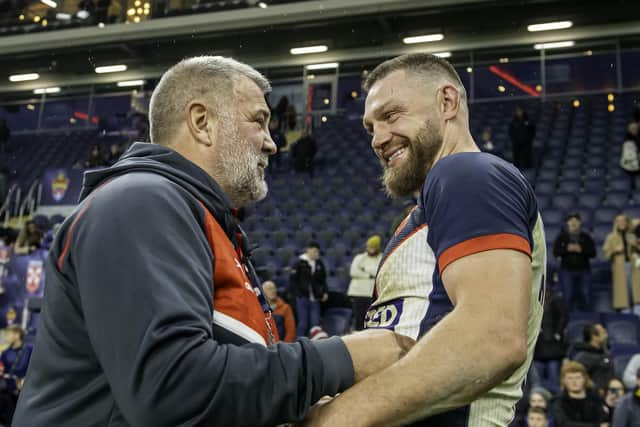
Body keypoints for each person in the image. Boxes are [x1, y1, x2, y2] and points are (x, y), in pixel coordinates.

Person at [12, 56, 415, 427]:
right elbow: (172, 390)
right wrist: (342, 359)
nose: (272, 142)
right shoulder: (141, 201)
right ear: (201, 122)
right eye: (258, 121)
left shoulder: (198, 216)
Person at [302, 53, 546, 426]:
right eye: (370, 127)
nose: (377, 140)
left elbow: (491, 339)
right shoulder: (435, 205)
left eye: (391, 115)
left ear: (447, 102)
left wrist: (333, 418)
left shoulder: (466, 173)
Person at [553, 213, 597, 311]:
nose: (573, 223)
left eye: (576, 221)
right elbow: (556, 252)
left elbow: (593, 253)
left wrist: (581, 249)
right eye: (571, 221)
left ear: (580, 223)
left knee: (586, 295)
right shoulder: (561, 237)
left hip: (584, 271)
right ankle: (566, 322)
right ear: (567, 223)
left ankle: (587, 319)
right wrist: (566, 249)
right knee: (567, 296)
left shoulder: (586, 237)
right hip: (566, 271)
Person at [534, 280, 568, 394]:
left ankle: (554, 397)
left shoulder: (556, 300)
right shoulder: (533, 300)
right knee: (537, 380)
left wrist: (557, 333)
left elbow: (563, 317)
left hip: (553, 347)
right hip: (538, 348)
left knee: (553, 377)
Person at [551, 361, 607, 427]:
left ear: (584, 379)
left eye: (578, 377)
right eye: (570, 378)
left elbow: (603, 421)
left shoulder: (595, 399)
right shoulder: (558, 401)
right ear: (564, 381)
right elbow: (563, 424)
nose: (574, 382)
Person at [603, 214, 640, 313]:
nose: (621, 223)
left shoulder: (633, 235)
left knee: (637, 294)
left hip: (635, 268)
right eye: (619, 221)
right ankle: (626, 315)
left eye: (623, 221)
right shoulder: (611, 237)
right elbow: (606, 254)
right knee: (624, 296)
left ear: (627, 222)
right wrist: (615, 250)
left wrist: (636, 245)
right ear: (616, 223)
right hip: (620, 269)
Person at [290, 241, 328, 337]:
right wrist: (298, 294)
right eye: (314, 251)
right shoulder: (299, 263)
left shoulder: (319, 263)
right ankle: (299, 343)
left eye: (317, 252)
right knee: (303, 323)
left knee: (315, 324)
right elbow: (293, 280)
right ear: (308, 250)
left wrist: (324, 292)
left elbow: (323, 280)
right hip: (302, 297)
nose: (316, 253)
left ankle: (314, 344)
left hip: (315, 297)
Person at [347, 235, 382, 331]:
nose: (369, 249)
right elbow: (353, 272)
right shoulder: (359, 258)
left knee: (370, 320)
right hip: (357, 293)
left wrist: (364, 269)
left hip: (370, 294)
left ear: (377, 248)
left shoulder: (381, 258)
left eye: (372, 247)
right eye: (368, 247)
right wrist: (369, 276)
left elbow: (378, 272)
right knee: (358, 319)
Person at [0, 325, 32, 426]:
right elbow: (2, 371)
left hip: (25, 392)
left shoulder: (30, 350)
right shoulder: (5, 353)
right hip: (8, 392)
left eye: (8, 334)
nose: (5, 337)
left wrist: (24, 381)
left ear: (17, 335)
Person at [572, 323, 615, 394]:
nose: (606, 335)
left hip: (609, 394)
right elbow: (578, 378)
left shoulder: (606, 355)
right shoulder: (583, 357)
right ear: (594, 337)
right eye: (603, 332)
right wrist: (596, 389)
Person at [620, 122, 639, 192]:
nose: (635, 130)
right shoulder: (628, 141)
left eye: (636, 129)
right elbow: (629, 156)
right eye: (633, 129)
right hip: (630, 166)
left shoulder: (637, 138)